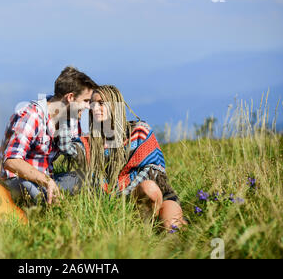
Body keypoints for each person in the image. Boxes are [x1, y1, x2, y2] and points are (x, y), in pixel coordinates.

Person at [58, 85, 187, 231]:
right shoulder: (90, 142)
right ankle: (146, 233)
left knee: (171, 227)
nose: (95, 108)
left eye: (101, 103)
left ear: (114, 105)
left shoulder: (138, 132)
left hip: (157, 196)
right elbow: (66, 148)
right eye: (92, 104)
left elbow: (153, 171)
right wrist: (66, 116)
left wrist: (120, 193)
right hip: (125, 204)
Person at [0, 66, 99, 205]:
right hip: (17, 180)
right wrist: (47, 181)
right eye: (86, 101)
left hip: (46, 180)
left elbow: (80, 148)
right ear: (70, 97)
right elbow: (11, 161)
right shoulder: (31, 116)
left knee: (93, 180)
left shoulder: (72, 119)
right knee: (45, 200)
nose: (89, 106)